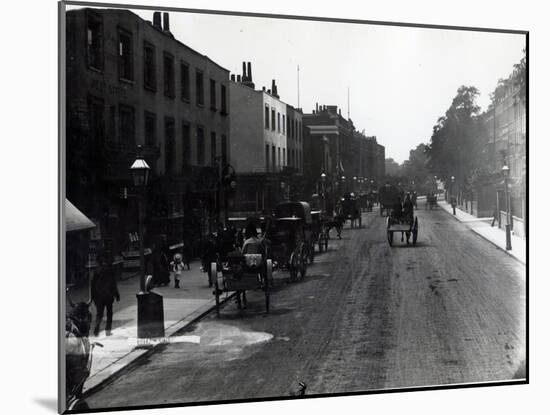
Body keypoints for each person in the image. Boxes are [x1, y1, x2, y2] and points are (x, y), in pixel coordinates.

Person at [91, 251, 120, 337]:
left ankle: (97, 327)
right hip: (108, 295)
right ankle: (108, 330)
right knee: (109, 312)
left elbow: (93, 285)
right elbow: (113, 283)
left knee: (99, 313)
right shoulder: (110, 270)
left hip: (99, 295)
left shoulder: (96, 271)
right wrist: (116, 294)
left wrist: (93, 297)